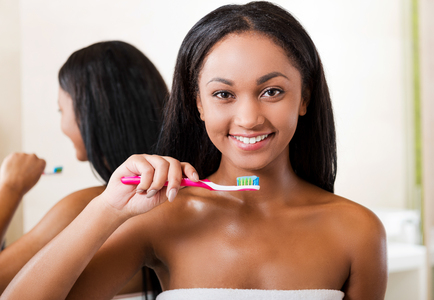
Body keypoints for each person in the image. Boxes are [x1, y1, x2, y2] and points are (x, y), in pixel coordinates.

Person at [2, 2, 387, 300]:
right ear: (198, 104)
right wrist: (106, 209)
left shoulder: (358, 231)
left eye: (272, 91)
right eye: (223, 94)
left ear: (304, 97)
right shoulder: (162, 218)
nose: (249, 117)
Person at [0, 41, 167, 299]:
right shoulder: (178, 200)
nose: (61, 124)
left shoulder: (83, 209)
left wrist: (10, 189)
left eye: (61, 110)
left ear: (87, 114)